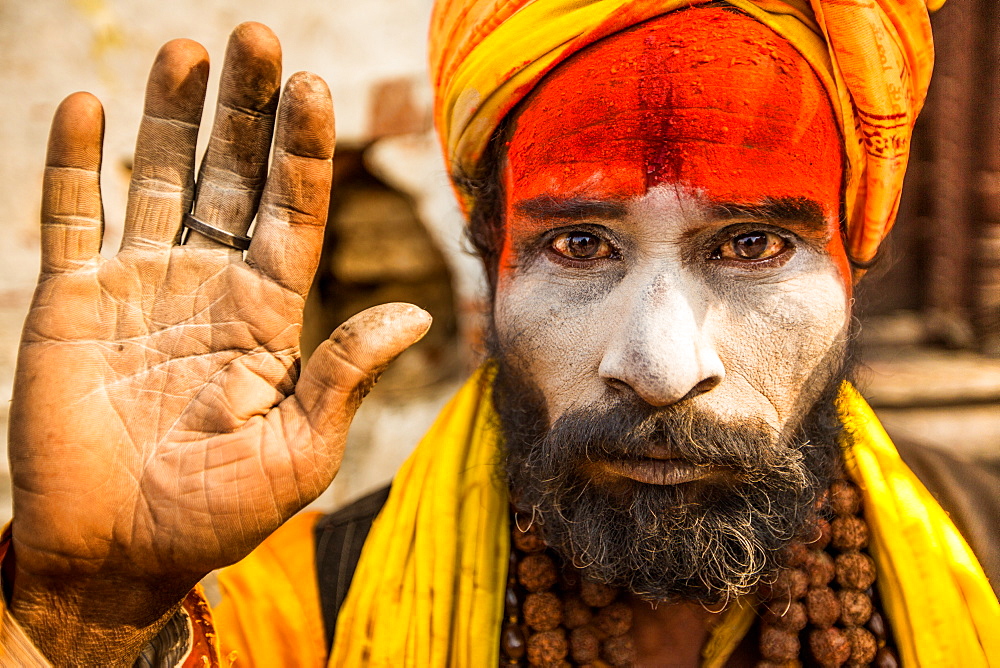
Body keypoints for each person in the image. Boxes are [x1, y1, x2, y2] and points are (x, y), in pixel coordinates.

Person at [0, 0, 998, 666]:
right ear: (488, 254)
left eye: (750, 243)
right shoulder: (306, 608)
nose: (659, 367)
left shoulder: (986, 552)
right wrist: (92, 603)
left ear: (853, 257)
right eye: (577, 242)